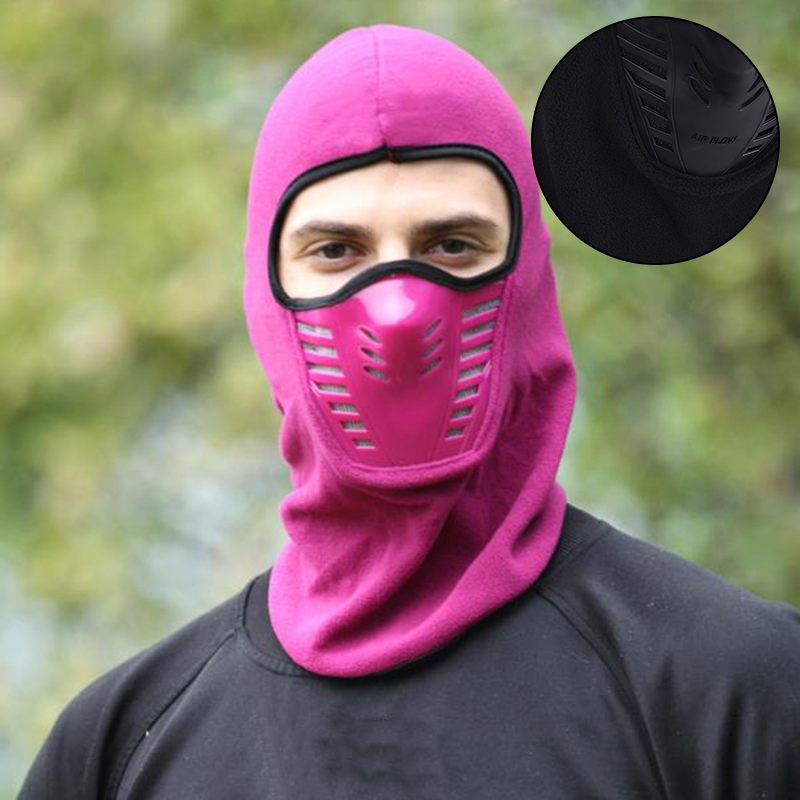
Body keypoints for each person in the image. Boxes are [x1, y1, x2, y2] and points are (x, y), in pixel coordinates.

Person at [17, 23, 800, 800]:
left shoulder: (734, 686)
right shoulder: (113, 749)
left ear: (528, 275)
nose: (396, 314)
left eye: (453, 245)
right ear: (266, 292)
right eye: (336, 251)